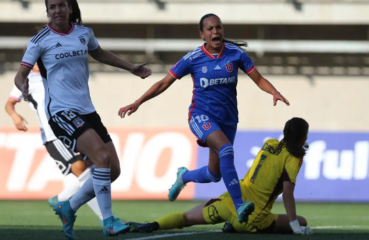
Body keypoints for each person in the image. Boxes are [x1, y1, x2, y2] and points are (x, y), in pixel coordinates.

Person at [118, 13, 289, 224]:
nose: (215, 31)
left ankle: (184, 176)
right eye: (210, 29)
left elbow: (259, 79)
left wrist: (274, 91)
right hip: (201, 116)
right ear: (202, 34)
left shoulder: (236, 55)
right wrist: (138, 102)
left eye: (218, 27)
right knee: (226, 149)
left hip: (228, 120)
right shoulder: (193, 59)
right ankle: (239, 204)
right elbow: (163, 83)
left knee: (214, 173)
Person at [14, 0, 151, 239]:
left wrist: (131, 67)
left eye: (61, 5)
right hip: (60, 112)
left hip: (87, 110)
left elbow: (99, 53)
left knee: (113, 170)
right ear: (47, 11)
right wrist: (22, 86)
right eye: (52, 6)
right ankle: (108, 222)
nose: (57, 10)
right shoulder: (39, 41)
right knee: (102, 157)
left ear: (70, 8)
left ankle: (69, 206)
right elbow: (21, 74)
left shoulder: (84, 33)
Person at [126, 117, 313, 235]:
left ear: (284, 132)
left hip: (231, 201)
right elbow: (287, 193)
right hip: (250, 218)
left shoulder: (270, 143)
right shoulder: (294, 158)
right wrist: (295, 225)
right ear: (304, 137)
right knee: (302, 220)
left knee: (187, 218)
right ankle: (234, 226)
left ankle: (153, 225)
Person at [5, 64, 104, 221]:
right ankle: (106, 219)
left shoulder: (56, 73)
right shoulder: (26, 79)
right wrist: (15, 116)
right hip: (53, 134)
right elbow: (9, 103)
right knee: (81, 170)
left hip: (72, 128)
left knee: (97, 165)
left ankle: (60, 199)